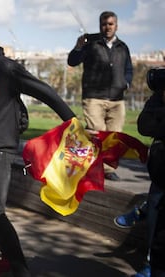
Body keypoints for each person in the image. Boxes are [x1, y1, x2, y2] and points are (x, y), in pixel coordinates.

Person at [0, 15, 76, 277]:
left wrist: (71, 119)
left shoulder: (6, 67)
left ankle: (20, 269)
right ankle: (9, 256)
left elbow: (43, 90)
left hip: (0, 148)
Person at [67, 10, 133, 182]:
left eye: (110, 24)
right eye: (104, 24)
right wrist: (78, 47)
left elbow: (128, 69)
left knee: (114, 136)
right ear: (100, 25)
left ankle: (108, 169)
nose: (107, 27)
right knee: (96, 133)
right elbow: (72, 61)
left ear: (116, 26)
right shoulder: (90, 43)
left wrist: (126, 83)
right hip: (94, 97)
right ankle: (92, 167)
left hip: (117, 99)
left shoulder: (123, 47)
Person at [115, 71, 165, 277]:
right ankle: (149, 265)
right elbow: (144, 126)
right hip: (161, 173)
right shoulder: (159, 94)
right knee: (156, 215)